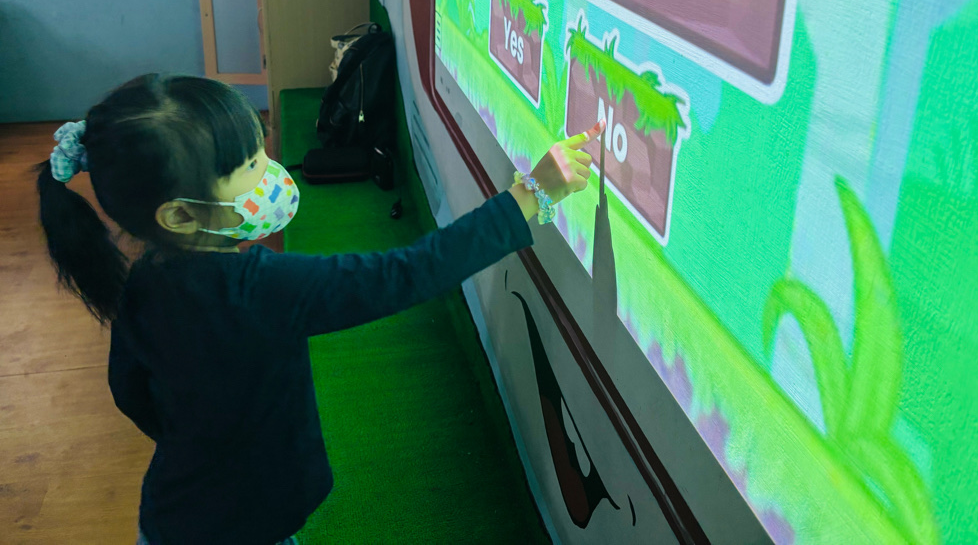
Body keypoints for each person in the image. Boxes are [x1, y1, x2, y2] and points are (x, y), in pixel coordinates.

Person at [36, 73, 602, 545]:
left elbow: (129, 390)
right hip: (245, 526)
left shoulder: (143, 279)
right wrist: (530, 195)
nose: (271, 172)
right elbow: (406, 273)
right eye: (251, 167)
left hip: (174, 519)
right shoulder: (258, 291)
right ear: (180, 215)